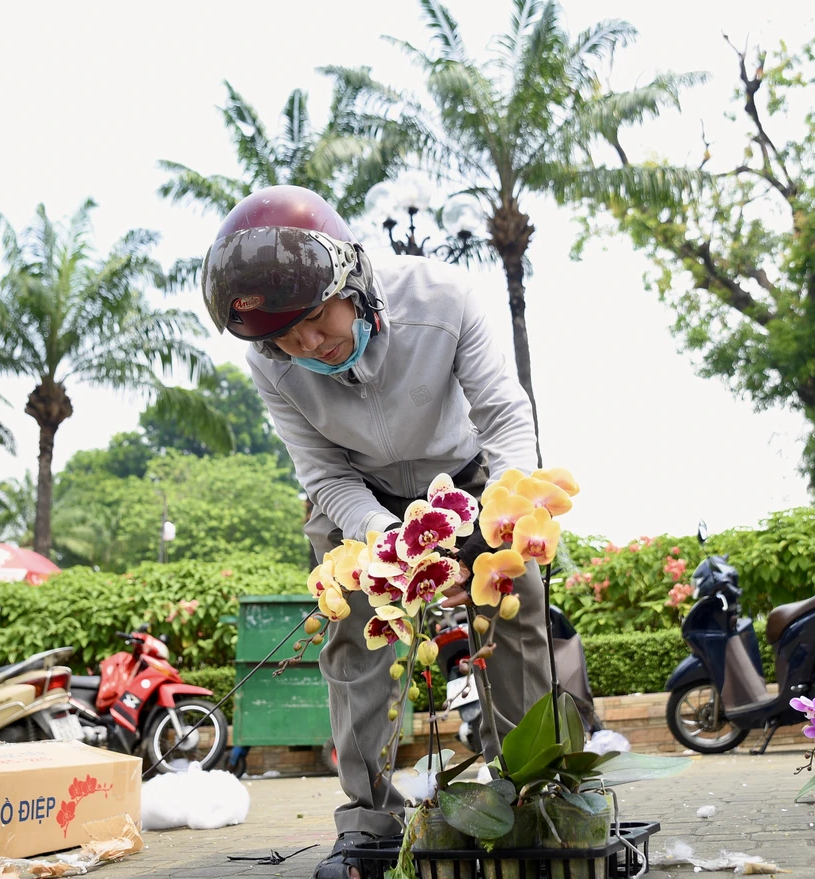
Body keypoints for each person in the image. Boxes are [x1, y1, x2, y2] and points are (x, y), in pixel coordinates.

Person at [201, 184, 551, 879]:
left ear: (352, 279)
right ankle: (370, 823)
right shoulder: (269, 364)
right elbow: (323, 475)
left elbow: (505, 417)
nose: (307, 344)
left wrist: (504, 518)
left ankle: (533, 798)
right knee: (358, 636)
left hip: (468, 478)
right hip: (358, 497)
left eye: (314, 318)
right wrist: (392, 543)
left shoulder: (443, 297)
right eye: (285, 337)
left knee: (516, 611)